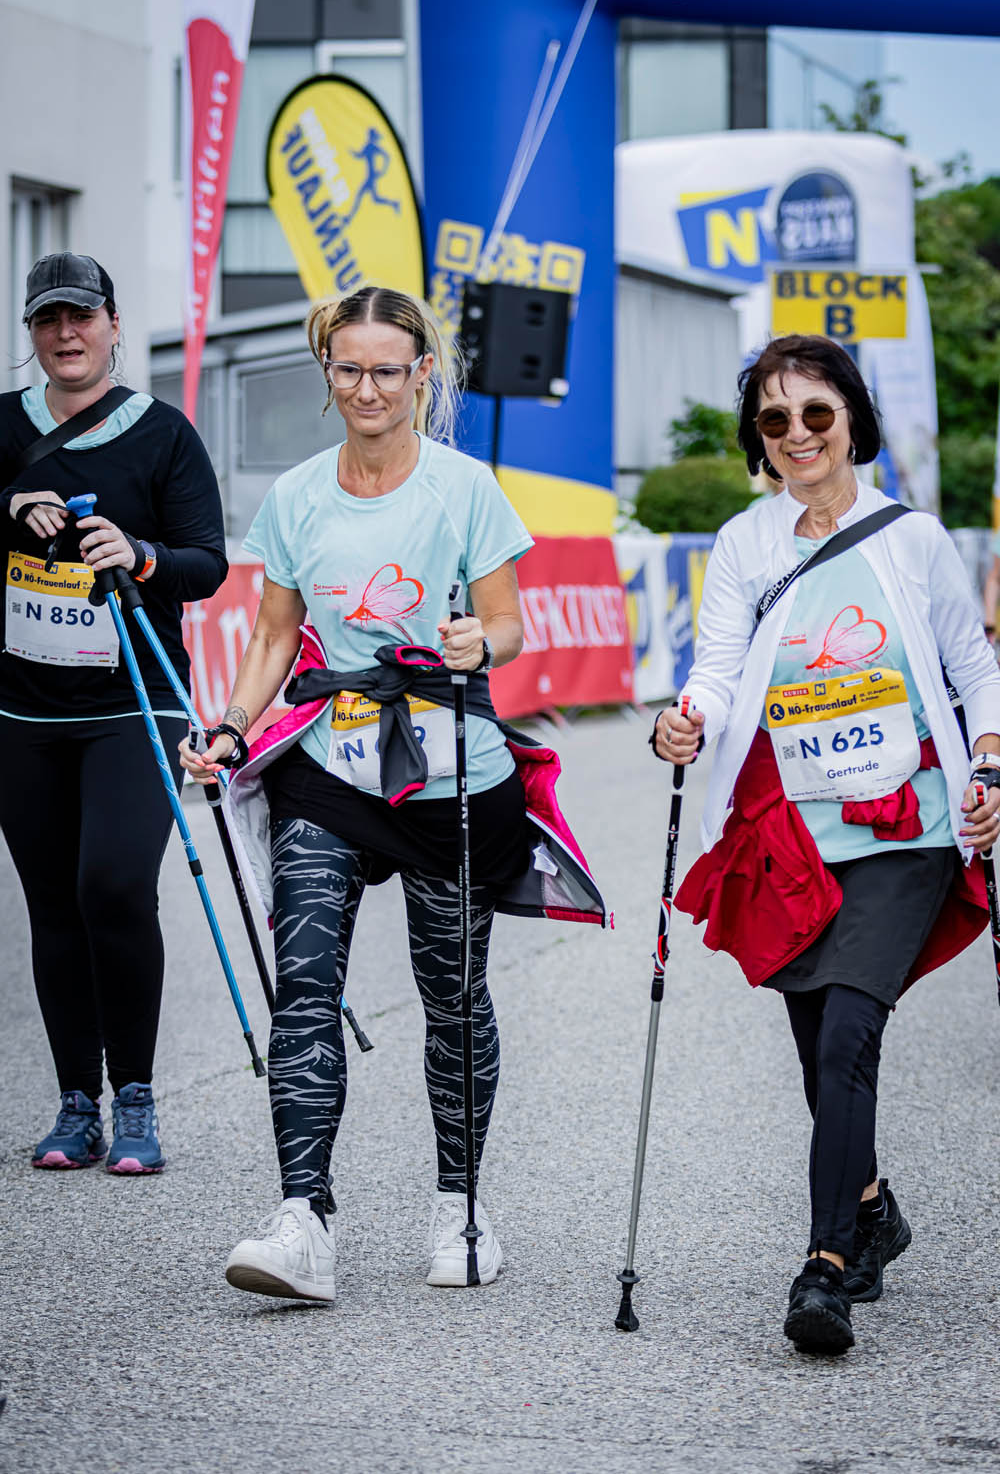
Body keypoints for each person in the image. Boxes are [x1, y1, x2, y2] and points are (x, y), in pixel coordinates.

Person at [181, 284, 604, 1304]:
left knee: (451, 997)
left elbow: (509, 626)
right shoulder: (296, 496)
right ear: (326, 373)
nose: (367, 388)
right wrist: (231, 725)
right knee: (304, 984)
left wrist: (474, 642)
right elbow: (275, 637)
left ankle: (461, 1206)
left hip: (451, 771)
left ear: (420, 375)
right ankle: (303, 1221)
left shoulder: (464, 488)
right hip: (330, 768)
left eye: (386, 370)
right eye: (348, 369)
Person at [652, 333, 1000, 1355]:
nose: (796, 433)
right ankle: (873, 1208)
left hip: (906, 823)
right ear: (757, 436)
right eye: (774, 417)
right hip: (793, 829)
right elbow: (717, 669)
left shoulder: (913, 540)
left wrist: (989, 763)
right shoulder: (745, 543)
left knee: (849, 1031)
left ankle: (827, 1267)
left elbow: (975, 669)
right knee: (817, 1050)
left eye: (816, 412)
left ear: (852, 419)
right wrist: (686, 718)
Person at [0, 252, 227, 1175]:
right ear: (31, 331)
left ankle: (134, 1095)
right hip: (23, 711)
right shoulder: (5, 426)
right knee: (53, 902)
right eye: (48, 320)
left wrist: (137, 555)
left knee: (116, 885)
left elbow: (205, 564)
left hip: (132, 703)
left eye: (82, 317)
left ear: (114, 323)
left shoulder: (161, 433)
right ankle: (75, 1103)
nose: (67, 334)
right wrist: (9, 504)